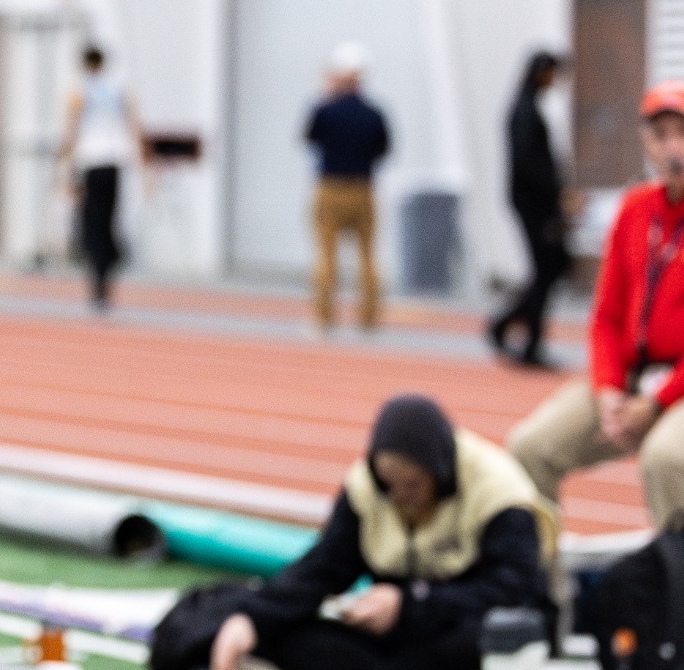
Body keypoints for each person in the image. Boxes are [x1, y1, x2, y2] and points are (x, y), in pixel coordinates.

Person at [208, 395, 553, 670]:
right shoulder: (366, 486)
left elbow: (513, 588)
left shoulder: (499, 493)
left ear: (440, 472)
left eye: (413, 484)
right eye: (389, 486)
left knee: (477, 642)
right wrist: (254, 618)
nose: (401, 497)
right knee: (286, 632)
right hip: (393, 636)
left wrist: (411, 604)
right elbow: (325, 566)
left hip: (462, 626)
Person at [507, 80, 684, 531]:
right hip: (630, 378)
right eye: (659, 136)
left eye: (680, 133)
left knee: (666, 459)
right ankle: (546, 592)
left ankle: (674, 591)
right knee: (530, 446)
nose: (672, 149)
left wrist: (657, 401)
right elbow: (605, 316)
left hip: (675, 385)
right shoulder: (635, 209)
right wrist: (608, 392)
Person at [487, 52, 571, 369]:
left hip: (537, 200)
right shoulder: (524, 111)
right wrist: (557, 191)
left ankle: (507, 324)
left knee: (550, 268)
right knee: (546, 269)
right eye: (552, 74)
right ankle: (529, 341)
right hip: (533, 202)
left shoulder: (529, 106)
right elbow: (529, 163)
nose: (555, 81)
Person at [305, 42, 392, 332]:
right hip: (363, 188)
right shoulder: (374, 113)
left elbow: (310, 138)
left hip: (330, 186)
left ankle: (323, 316)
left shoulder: (325, 110)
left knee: (326, 254)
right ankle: (368, 317)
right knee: (367, 255)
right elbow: (384, 148)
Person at [58, 45, 144, 312]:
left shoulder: (81, 89)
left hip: (91, 164)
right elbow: (133, 123)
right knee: (108, 221)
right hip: (114, 164)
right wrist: (143, 163)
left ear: (85, 64)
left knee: (92, 227)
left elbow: (72, 127)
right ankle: (108, 274)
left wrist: (63, 163)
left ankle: (99, 284)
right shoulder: (118, 88)